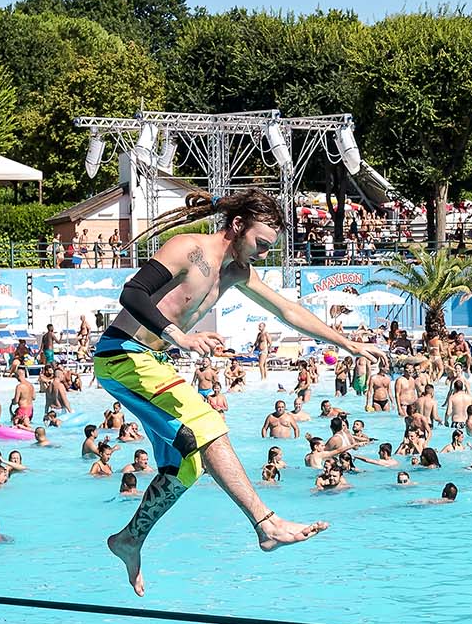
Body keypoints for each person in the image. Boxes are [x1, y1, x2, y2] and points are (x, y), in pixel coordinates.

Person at [93, 191, 385, 595]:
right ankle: (266, 524)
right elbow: (133, 294)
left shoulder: (236, 272)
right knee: (209, 424)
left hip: (152, 363)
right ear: (236, 227)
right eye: (261, 244)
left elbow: (289, 311)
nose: (264, 254)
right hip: (122, 355)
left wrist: (347, 343)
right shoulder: (189, 249)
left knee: (187, 466)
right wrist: (178, 334)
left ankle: (129, 539)